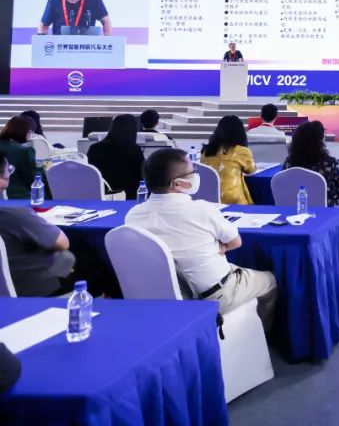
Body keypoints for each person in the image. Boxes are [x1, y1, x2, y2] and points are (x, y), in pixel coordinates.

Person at [125, 149, 277, 327]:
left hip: (161, 299)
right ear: (177, 183)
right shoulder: (201, 210)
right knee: (270, 281)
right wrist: (223, 246)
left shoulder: (133, 216)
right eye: (192, 173)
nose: (196, 176)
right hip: (212, 296)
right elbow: (236, 242)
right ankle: (263, 335)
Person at [0, 153, 76, 296]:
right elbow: (63, 243)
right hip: (35, 287)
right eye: (8, 170)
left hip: (9, 291)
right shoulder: (15, 214)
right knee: (89, 260)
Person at [283, 121, 339, 207]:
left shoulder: (289, 162)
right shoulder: (330, 163)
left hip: (297, 208)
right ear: (321, 141)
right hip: (327, 211)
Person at [86, 114, 145, 199]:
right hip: (128, 196)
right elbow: (141, 175)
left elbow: (90, 172)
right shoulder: (134, 149)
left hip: (101, 194)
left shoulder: (94, 148)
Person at [201, 115, 256, 205]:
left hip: (209, 200)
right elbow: (251, 170)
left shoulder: (206, 151)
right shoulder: (241, 151)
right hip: (233, 200)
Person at [0, 116, 42, 200]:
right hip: (20, 197)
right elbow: (33, 178)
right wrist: (40, 169)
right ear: (28, 132)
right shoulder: (24, 151)